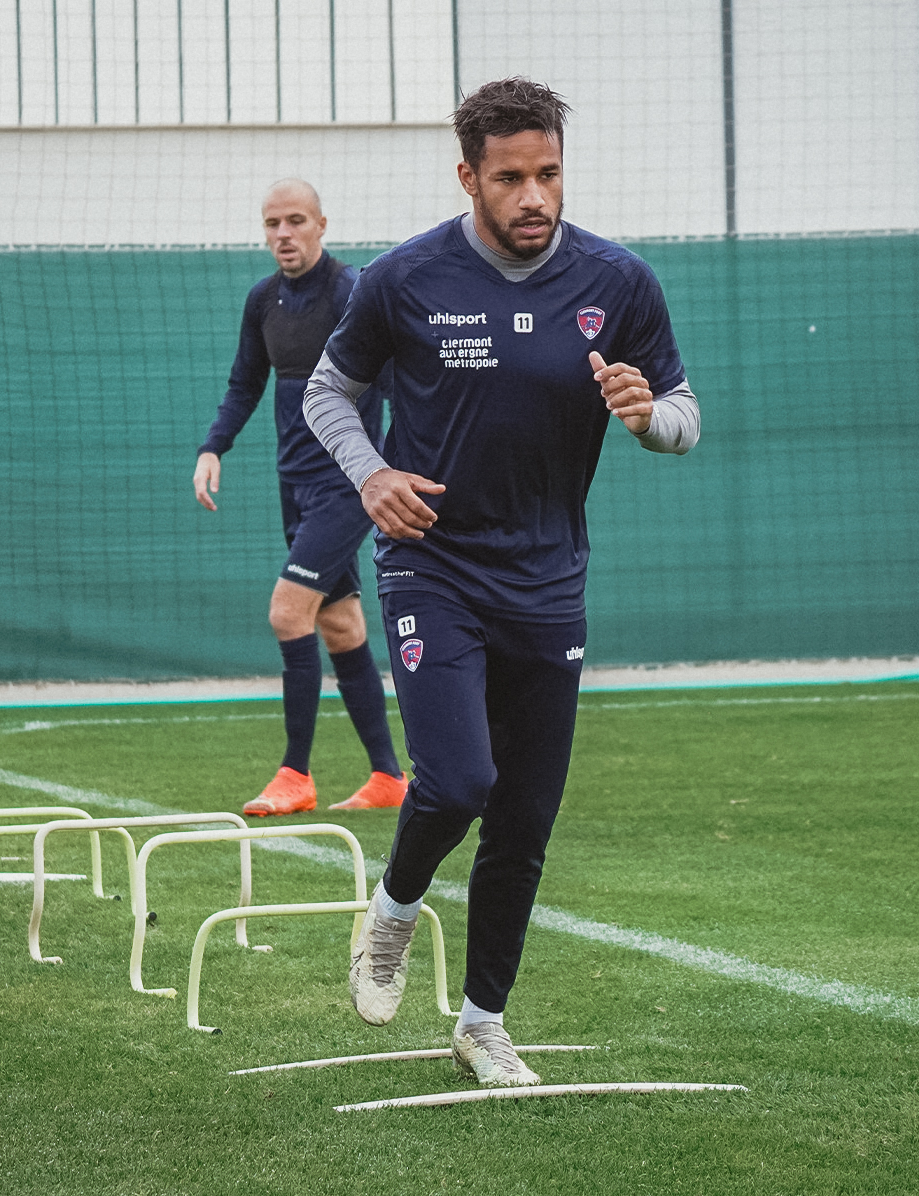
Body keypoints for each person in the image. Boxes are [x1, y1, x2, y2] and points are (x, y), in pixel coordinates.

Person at [303, 78, 701, 1086]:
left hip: (549, 581)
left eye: (549, 174)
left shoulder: (619, 282)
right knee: (458, 782)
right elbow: (328, 391)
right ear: (468, 177)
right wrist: (371, 473)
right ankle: (393, 910)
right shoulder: (402, 278)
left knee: (522, 820)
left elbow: (683, 420)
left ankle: (482, 1024)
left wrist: (646, 416)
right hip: (432, 565)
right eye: (511, 178)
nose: (534, 197)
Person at [193, 179, 408, 814]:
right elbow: (244, 384)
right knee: (339, 623)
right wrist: (213, 447)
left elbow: (394, 381)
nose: (283, 234)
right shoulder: (263, 300)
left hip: (346, 484)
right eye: (272, 223)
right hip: (295, 484)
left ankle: (295, 774)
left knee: (288, 613)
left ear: (321, 224)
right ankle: (388, 777)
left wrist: (389, 466)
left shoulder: (350, 292)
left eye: (295, 220)